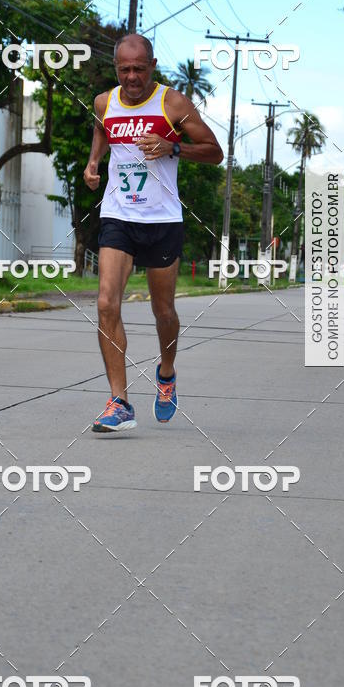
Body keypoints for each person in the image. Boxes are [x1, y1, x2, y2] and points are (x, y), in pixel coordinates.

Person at [84, 33, 223, 432]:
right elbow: (101, 131)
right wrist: (94, 164)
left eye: (138, 69)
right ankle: (119, 401)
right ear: (116, 68)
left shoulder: (171, 103)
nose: (131, 77)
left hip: (161, 220)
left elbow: (214, 152)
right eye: (124, 69)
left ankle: (166, 372)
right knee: (107, 303)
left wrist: (172, 147)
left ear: (153, 66)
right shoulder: (103, 102)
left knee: (163, 311)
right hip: (118, 216)